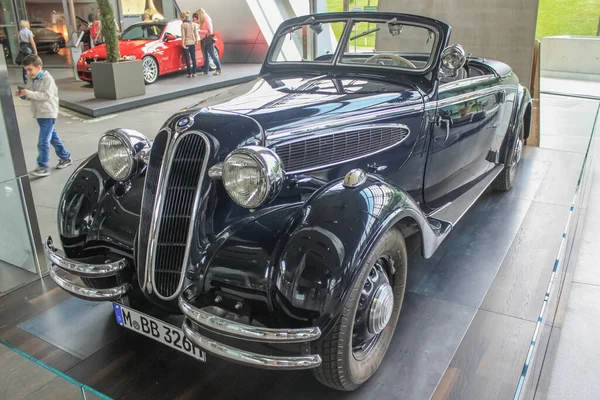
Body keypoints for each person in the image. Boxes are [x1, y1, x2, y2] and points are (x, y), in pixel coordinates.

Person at [15, 55, 72, 177]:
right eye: (26, 70)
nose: (28, 72)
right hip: (40, 114)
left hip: (48, 114)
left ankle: (43, 167)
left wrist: (29, 93)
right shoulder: (35, 79)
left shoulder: (47, 79)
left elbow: (46, 95)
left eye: (30, 69)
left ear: (38, 67)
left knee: (43, 141)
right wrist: (24, 94)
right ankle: (65, 157)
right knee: (52, 138)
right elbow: (34, 95)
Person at [196, 8, 222, 75]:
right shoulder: (202, 21)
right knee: (205, 56)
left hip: (208, 40)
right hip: (203, 40)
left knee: (212, 55)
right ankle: (205, 70)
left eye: (198, 15)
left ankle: (219, 69)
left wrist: (200, 31)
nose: (198, 16)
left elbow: (210, 31)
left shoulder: (207, 20)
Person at [16, 21, 37, 85]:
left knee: (25, 64)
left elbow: (19, 41)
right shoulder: (29, 32)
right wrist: (35, 51)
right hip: (29, 49)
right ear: (27, 25)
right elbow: (32, 42)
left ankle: (25, 78)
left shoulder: (20, 32)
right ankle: (34, 78)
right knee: (31, 63)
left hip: (23, 49)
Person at [180, 11, 198, 78]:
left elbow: (183, 36)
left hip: (186, 43)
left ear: (184, 17)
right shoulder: (193, 24)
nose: (180, 19)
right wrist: (196, 41)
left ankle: (189, 73)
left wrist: (183, 44)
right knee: (193, 58)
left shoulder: (183, 25)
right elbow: (195, 34)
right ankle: (194, 72)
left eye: (181, 18)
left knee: (187, 59)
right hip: (192, 42)